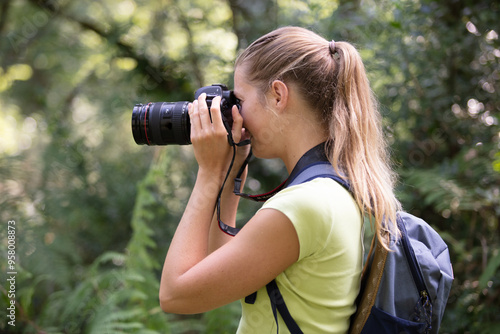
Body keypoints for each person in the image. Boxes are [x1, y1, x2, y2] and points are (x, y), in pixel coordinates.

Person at [159, 26, 401, 333]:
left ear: (277, 95)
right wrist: (229, 174)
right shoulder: (331, 189)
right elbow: (222, 267)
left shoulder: (304, 205)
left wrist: (207, 175)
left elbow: (175, 295)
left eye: (241, 100)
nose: (237, 115)